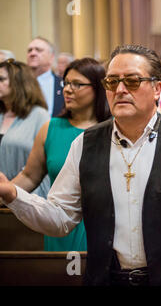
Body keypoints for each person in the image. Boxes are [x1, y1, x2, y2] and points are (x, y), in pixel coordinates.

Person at [0, 44, 161, 286]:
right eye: (111, 81)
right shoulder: (85, 144)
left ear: (157, 88)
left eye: (132, 81)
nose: (119, 89)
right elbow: (61, 218)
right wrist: (13, 194)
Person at [11, 58, 111, 251]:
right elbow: (29, 176)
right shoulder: (51, 128)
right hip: (60, 224)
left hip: (102, 227)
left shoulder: (112, 129)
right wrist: (6, 190)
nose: (67, 89)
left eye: (77, 84)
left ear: (98, 88)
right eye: (66, 83)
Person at [0, 59, 50, 202]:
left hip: (28, 198)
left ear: (18, 83)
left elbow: (43, 164)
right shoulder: (2, 114)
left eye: (1, 79)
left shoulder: (39, 115)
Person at [27, 37, 65, 117]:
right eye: (29, 50)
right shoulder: (18, 84)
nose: (32, 53)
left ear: (51, 57)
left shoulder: (63, 84)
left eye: (38, 50)